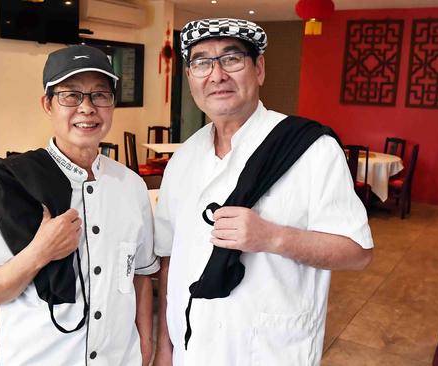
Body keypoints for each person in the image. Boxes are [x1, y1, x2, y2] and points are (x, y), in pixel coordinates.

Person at [153, 18, 374, 365]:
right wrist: (165, 346)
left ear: (259, 69)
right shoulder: (182, 159)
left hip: (270, 351)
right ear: (191, 77)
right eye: (201, 62)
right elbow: (169, 257)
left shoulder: (311, 149)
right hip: (191, 348)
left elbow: (357, 252)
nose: (217, 75)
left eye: (231, 59)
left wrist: (272, 237)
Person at [0, 45, 159, 366]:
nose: (87, 108)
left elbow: (141, 274)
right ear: (47, 104)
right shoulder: (14, 186)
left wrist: (146, 343)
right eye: (71, 95)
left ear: (113, 104)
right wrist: (39, 252)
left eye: (100, 95)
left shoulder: (131, 186)